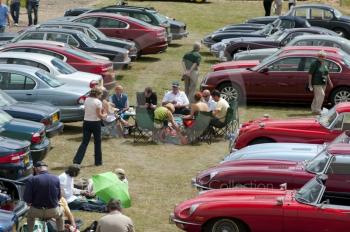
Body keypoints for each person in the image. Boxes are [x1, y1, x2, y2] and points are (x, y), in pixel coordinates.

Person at [24, 161, 64, 232]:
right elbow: (59, 196)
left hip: (36, 210)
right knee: (60, 215)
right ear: (46, 168)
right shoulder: (56, 178)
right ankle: (61, 230)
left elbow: (27, 199)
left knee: (30, 217)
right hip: (53, 211)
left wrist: (30, 203)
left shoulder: (32, 179)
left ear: (36, 169)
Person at [73, 87, 106, 166]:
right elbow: (99, 115)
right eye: (100, 94)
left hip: (86, 122)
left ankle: (77, 161)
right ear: (97, 94)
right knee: (97, 143)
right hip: (95, 123)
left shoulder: (87, 100)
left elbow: (86, 110)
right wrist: (105, 115)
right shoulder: (98, 102)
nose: (101, 96)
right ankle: (98, 162)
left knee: (84, 142)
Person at [308, 51, 333, 115]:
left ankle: (314, 109)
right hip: (316, 82)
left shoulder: (324, 63)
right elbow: (310, 74)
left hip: (323, 82)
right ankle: (318, 110)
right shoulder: (314, 64)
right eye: (320, 56)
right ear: (318, 57)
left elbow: (327, 73)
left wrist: (330, 81)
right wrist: (310, 84)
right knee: (322, 95)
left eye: (323, 56)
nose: (322, 58)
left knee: (317, 96)